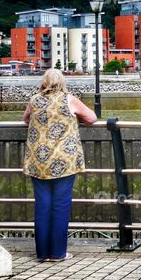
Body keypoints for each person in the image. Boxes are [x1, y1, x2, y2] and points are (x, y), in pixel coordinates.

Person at [23, 69, 97, 262]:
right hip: (64, 160)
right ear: (62, 82)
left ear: (44, 82)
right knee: (60, 205)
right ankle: (57, 253)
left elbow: (26, 119)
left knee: (42, 205)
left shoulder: (34, 100)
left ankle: (42, 253)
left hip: (38, 160)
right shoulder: (69, 99)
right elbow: (92, 118)